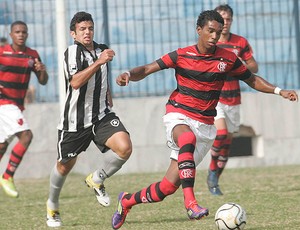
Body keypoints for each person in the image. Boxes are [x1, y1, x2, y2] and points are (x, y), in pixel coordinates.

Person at [111, 10, 298, 229]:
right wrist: (128, 75)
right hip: (178, 113)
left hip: (205, 125)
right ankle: (191, 203)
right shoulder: (181, 55)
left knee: (166, 187)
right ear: (199, 30)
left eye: (218, 33)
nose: (214, 36)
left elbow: (252, 80)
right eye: (210, 31)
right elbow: (147, 68)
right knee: (187, 137)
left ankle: (126, 201)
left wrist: (279, 90)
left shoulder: (227, 58)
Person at [46, 11, 132, 228]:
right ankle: (52, 205)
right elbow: (75, 82)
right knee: (64, 167)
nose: (87, 32)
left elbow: (101, 78)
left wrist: (110, 91)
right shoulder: (72, 53)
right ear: (73, 34)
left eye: (90, 28)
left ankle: (97, 178)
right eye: (82, 29)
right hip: (74, 122)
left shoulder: (102, 49)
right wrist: (100, 62)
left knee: (125, 148)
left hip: (101, 116)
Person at [206, 4, 259, 196]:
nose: (225, 23)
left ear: (232, 21)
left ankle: (215, 180)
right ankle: (211, 171)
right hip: (216, 98)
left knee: (227, 142)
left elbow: (254, 67)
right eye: (222, 19)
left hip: (234, 99)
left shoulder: (240, 43)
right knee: (220, 134)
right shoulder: (211, 42)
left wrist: (241, 65)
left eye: (228, 19)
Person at [0, 21, 48, 198]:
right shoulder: (2, 52)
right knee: (26, 136)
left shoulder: (32, 55)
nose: (21, 34)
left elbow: (43, 80)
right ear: (11, 34)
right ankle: (7, 176)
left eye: (24, 32)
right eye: (17, 32)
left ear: (27, 34)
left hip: (16, 105)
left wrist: (42, 70)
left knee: (2, 145)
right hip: (5, 103)